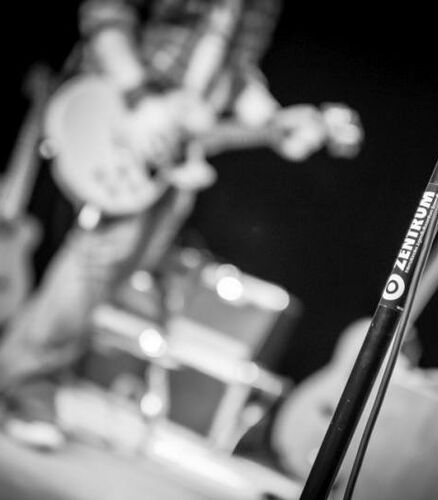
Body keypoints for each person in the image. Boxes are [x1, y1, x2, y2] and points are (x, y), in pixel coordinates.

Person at [0, 0, 363, 451]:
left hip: (174, 145)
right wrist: (139, 96)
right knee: (104, 254)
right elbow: (108, 11)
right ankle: (26, 387)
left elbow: (234, 72)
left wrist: (274, 122)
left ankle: (25, 376)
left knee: (120, 262)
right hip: (118, 108)